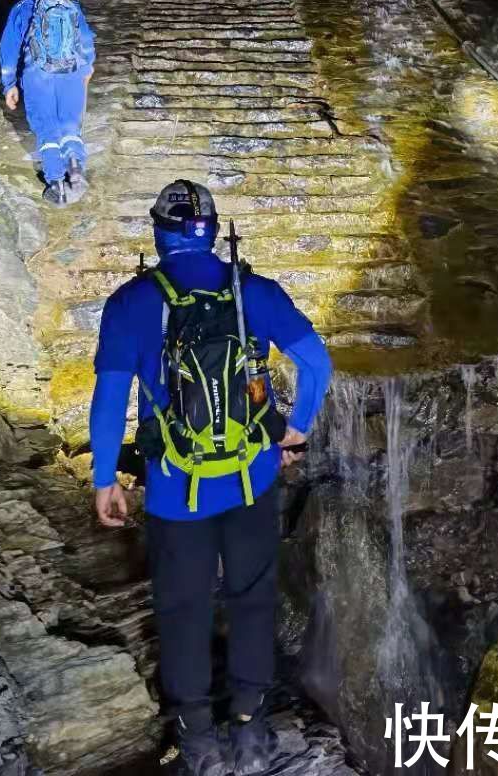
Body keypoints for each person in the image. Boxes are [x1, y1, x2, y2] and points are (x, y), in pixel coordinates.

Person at [88, 179, 334, 776]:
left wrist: (105, 478)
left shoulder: (131, 302)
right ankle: (251, 729)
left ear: (158, 232)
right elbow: (316, 362)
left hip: (175, 488)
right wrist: (294, 430)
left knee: (183, 609)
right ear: (213, 230)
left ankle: (197, 742)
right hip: (251, 478)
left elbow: (110, 396)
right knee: (252, 599)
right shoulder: (253, 292)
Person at [0, 0, 96, 206]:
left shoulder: (24, 6)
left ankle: (57, 185)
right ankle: (74, 165)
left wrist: (9, 84)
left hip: (38, 73)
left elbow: (9, 47)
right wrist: (88, 66)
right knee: (70, 124)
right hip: (72, 72)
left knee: (46, 126)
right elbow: (87, 39)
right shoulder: (71, 6)